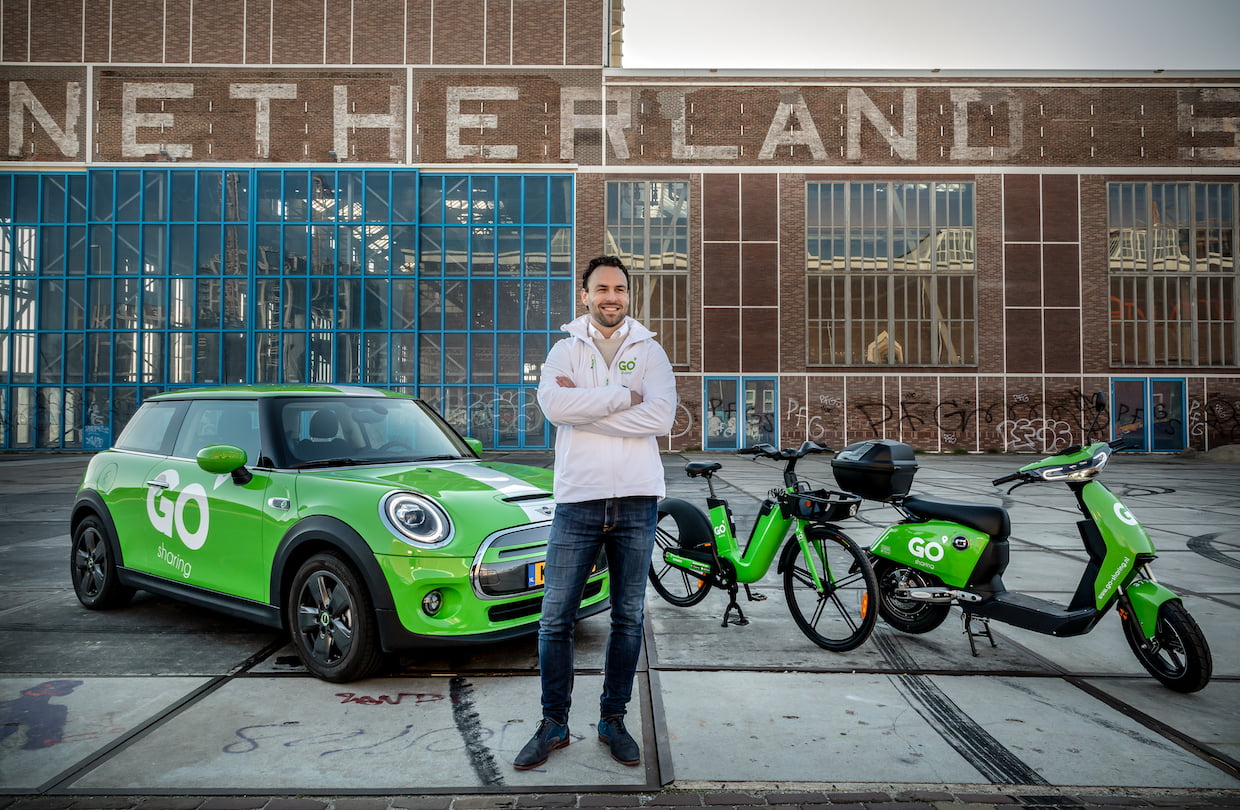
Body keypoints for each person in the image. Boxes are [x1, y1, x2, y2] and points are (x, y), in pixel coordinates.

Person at [513, 255, 677, 771]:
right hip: (577, 501)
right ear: (584, 295)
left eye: (620, 289)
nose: (612, 296)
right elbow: (554, 408)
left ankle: (613, 720)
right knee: (554, 619)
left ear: (630, 295)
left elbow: (663, 416)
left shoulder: (650, 351)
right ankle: (553, 724)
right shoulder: (564, 349)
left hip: (636, 499)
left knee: (627, 619)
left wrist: (587, 410)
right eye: (601, 288)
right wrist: (620, 400)